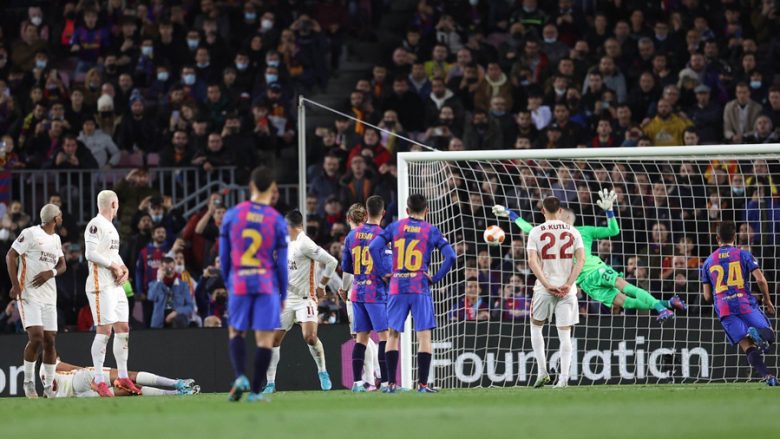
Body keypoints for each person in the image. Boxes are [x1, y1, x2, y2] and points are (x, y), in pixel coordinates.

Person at [494, 189, 687, 323]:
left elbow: (613, 231)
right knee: (626, 302)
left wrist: (610, 211)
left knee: (628, 288)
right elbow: (529, 229)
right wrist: (510, 214)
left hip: (596, 269)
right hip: (586, 283)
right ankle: (668, 303)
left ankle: (661, 309)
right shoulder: (551, 234)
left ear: (568, 218)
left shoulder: (584, 231)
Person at [368, 194, 457, 393]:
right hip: (419, 286)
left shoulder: (394, 227)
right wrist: (435, 278)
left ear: (406, 210)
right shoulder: (431, 230)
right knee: (424, 336)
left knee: (392, 335)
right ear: (427, 211)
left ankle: (391, 384)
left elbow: (373, 247)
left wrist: (384, 272)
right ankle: (423, 385)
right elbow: (451, 256)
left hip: (397, 286)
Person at [219, 166, 289, 402]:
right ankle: (256, 393)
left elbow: (224, 255)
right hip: (266, 283)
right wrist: (282, 294)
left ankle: (240, 376)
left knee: (236, 331)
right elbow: (281, 263)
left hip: (239, 280)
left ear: (250, 186)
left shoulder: (232, 215)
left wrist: (229, 281)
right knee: (265, 339)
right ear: (273, 189)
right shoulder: (277, 220)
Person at [262, 210, 337, 394]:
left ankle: (322, 371)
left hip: (306, 298)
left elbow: (332, 262)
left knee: (309, 337)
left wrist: (322, 285)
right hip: (286, 299)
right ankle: (270, 383)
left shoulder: (305, 243)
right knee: (273, 340)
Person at [700, 221, 777, 386]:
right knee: (769, 334)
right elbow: (760, 280)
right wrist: (767, 299)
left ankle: (768, 376)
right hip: (744, 302)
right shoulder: (743, 254)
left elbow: (706, 296)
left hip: (724, 307)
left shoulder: (707, 262)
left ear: (717, 238)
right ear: (735, 236)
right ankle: (757, 333)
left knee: (746, 345)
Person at [524, 196, 585, 389]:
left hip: (544, 289)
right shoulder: (573, 231)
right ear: (560, 211)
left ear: (543, 211)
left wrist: (547, 284)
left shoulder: (535, 232)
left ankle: (542, 372)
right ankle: (564, 379)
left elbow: (532, 262)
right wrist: (568, 284)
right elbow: (581, 260)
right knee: (565, 334)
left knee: (536, 327)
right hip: (567, 291)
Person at [5, 204, 65, 398]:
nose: (62, 218)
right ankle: (28, 382)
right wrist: (15, 285)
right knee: (37, 337)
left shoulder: (56, 239)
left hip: (49, 296)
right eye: (60, 215)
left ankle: (48, 386)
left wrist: (51, 272)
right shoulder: (30, 233)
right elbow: (10, 255)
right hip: (29, 294)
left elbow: (63, 265)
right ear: (54, 219)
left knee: (50, 341)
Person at [84, 190, 139, 397]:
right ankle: (98, 380)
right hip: (100, 286)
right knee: (104, 331)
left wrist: (123, 268)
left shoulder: (112, 229)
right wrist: (114, 266)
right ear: (113, 204)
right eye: (117, 205)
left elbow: (113, 254)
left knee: (123, 328)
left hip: (115, 286)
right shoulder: (95, 224)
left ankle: (123, 377)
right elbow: (90, 254)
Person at [341, 197, 392, 392]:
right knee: (385, 337)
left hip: (357, 292)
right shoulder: (382, 235)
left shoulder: (351, 236)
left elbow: (347, 267)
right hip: (375, 293)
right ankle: (387, 383)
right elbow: (387, 267)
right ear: (383, 213)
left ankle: (357, 383)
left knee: (361, 339)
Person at [42, 358, 198, 398]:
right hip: (81, 380)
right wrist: (93, 379)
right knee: (128, 377)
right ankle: (177, 384)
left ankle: (179, 394)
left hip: (80, 396)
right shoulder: (48, 363)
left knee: (130, 390)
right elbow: (74, 369)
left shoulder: (45, 384)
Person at [148, 257, 194, 329]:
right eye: (167, 268)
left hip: (177, 322)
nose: (170, 270)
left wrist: (177, 312)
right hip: (158, 322)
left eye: (172, 268)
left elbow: (190, 307)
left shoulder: (183, 285)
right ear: (161, 268)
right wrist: (159, 280)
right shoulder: (154, 284)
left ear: (175, 267)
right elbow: (151, 297)